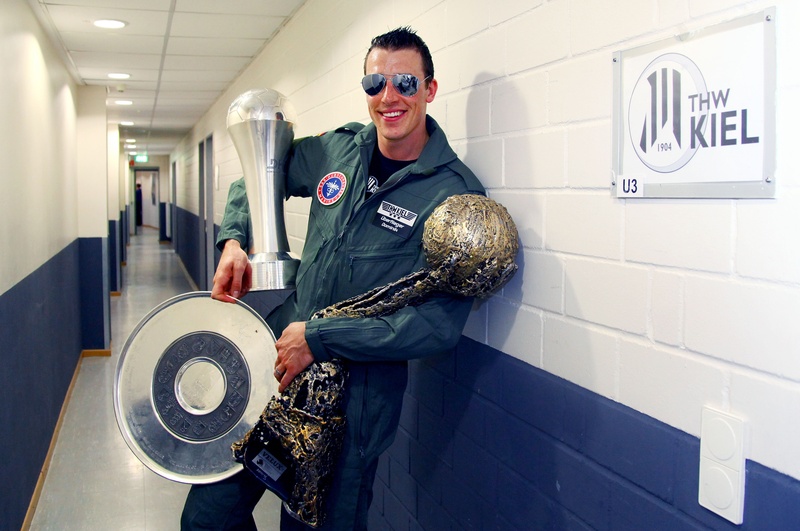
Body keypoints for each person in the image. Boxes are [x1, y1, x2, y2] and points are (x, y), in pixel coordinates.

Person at [181, 27, 485, 530]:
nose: (388, 97)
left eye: (405, 83)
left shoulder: (454, 197)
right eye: (375, 83)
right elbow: (257, 175)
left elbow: (436, 325)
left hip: (352, 405)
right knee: (207, 518)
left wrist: (320, 338)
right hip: (276, 369)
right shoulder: (338, 151)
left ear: (430, 89)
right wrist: (234, 239)